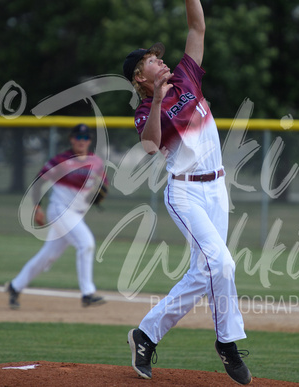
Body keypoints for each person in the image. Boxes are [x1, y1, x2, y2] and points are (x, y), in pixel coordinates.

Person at [122, 1, 251, 384]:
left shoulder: (186, 79)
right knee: (223, 265)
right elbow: (149, 147)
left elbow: (197, 28)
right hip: (186, 194)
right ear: (138, 78)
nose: (159, 61)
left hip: (217, 189)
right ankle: (227, 344)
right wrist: (160, 98)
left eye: (158, 56)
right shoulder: (146, 110)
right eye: (150, 60)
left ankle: (144, 335)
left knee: (204, 272)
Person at [6, 123, 107, 310]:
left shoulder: (97, 163)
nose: (81, 141)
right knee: (86, 244)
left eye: (85, 138)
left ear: (89, 141)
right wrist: (37, 208)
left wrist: (99, 194)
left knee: (48, 256)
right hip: (60, 210)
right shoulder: (61, 160)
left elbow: (103, 187)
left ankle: (15, 286)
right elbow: (38, 183)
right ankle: (87, 294)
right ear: (71, 139)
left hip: (76, 215)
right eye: (78, 137)